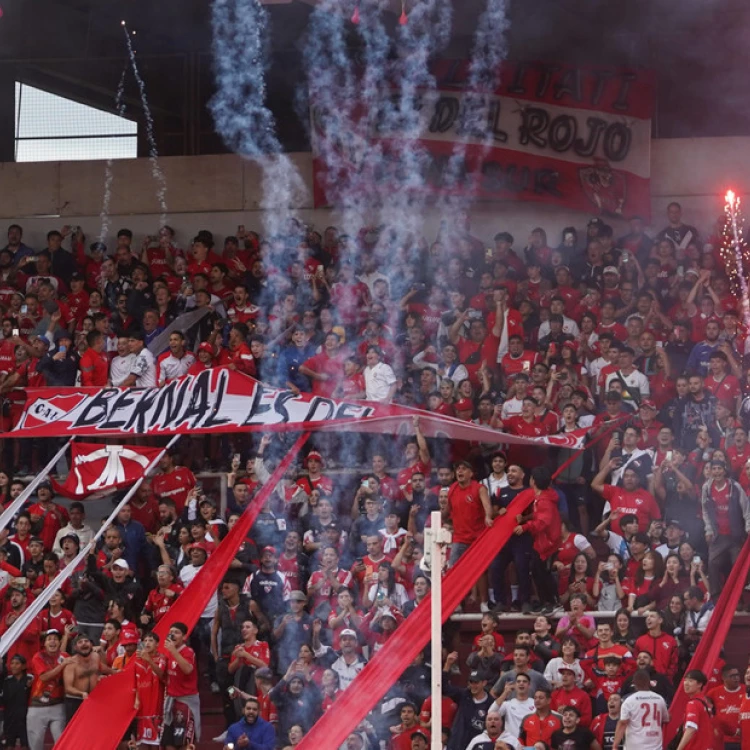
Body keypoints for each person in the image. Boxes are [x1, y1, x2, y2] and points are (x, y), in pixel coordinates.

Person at [613, 669, 669, 750]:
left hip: (635, 747)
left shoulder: (629, 700)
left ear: (634, 683)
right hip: (655, 746)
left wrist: (615, 745)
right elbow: (666, 719)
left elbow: (622, 723)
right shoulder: (659, 699)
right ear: (649, 682)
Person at [62, 633, 103, 721]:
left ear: (91, 645)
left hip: (92, 700)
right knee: (75, 731)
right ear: (75, 647)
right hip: (74, 701)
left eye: (86, 641)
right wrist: (81, 693)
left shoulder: (96, 657)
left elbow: (105, 669)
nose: (84, 643)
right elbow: (68, 688)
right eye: (80, 642)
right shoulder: (71, 663)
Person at [673, 670, 714, 750]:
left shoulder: (693, 703)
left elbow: (691, 729)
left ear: (700, 684)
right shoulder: (705, 702)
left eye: (690, 681)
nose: (686, 683)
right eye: (685, 680)